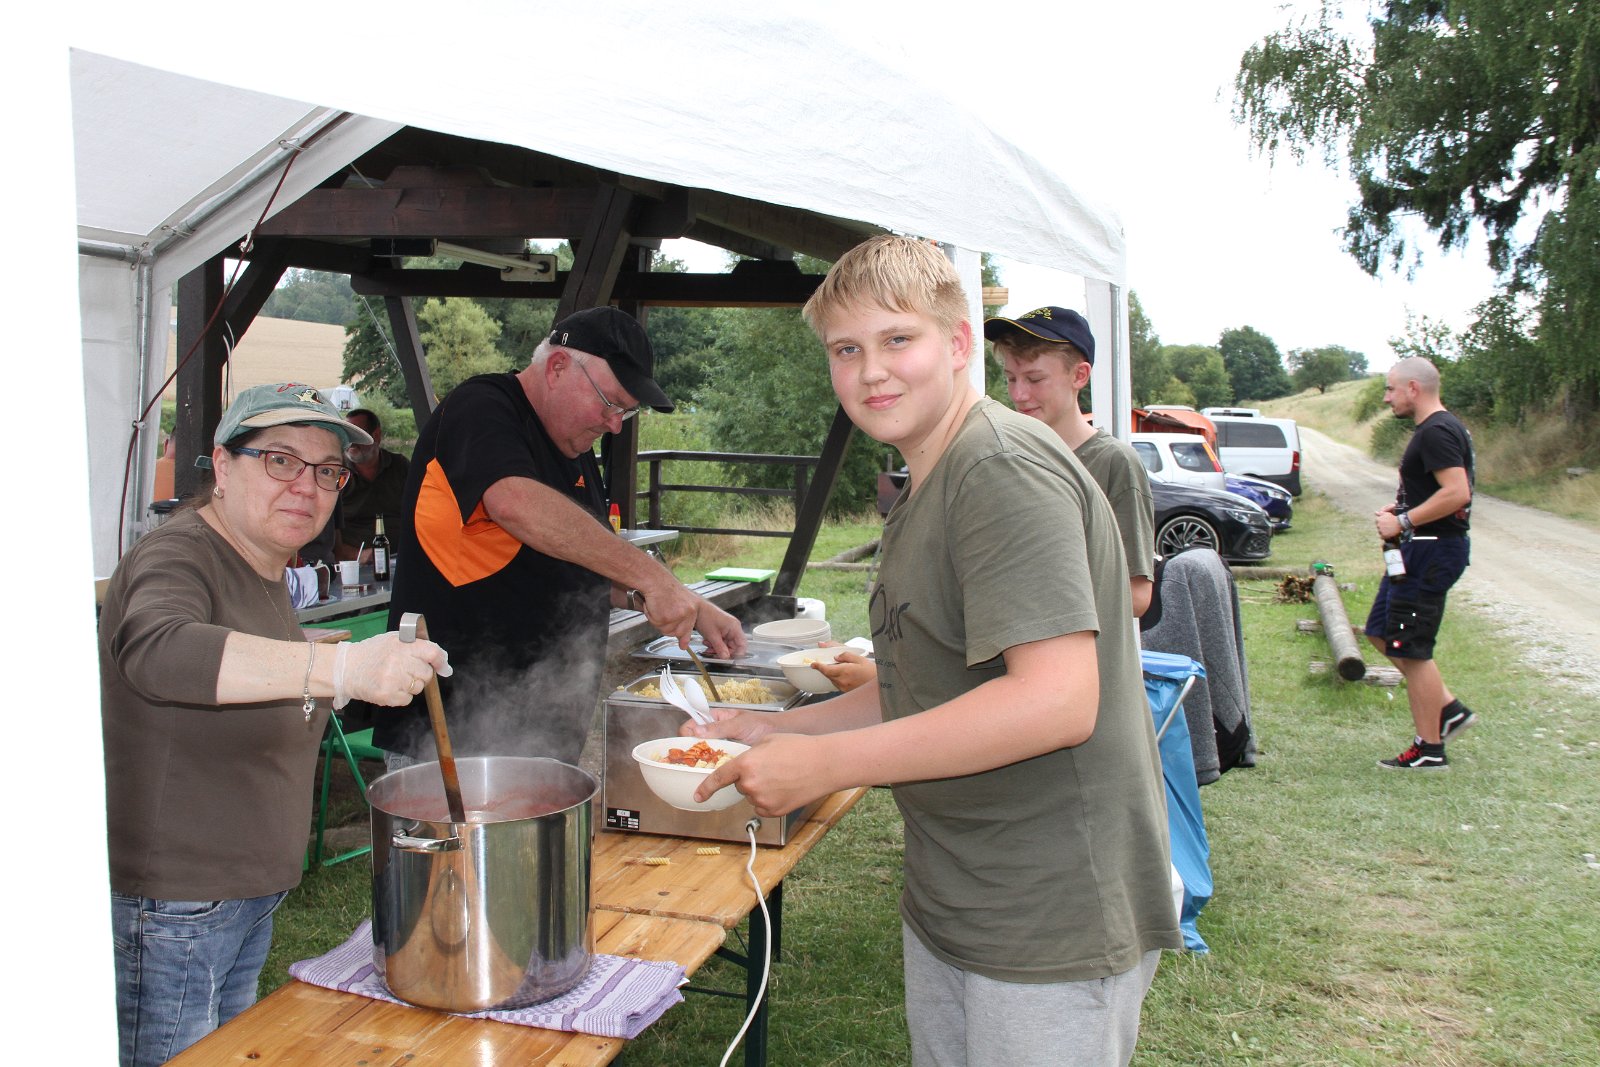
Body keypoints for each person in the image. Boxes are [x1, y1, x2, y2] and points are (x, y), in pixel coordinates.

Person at [689, 236, 1179, 1066]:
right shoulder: (931, 477)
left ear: (956, 344)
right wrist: (775, 730)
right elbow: (922, 682)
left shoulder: (999, 468)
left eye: (897, 339)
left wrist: (828, 764)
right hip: (960, 896)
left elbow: (1058, 700)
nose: (872, 371)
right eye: (847, 349)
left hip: (1049, 914)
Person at [100, 382, 451, 1067]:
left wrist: (338, 669)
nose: (306, 486)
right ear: (222, 466)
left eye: (327, 471)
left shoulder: (259, 562)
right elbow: (160, 650)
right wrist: (341, 668)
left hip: (240, 892)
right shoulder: (178, 555)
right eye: (280, 460)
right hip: (177, 903)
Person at [374, 307, 747, 768]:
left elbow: (581, 567)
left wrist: (688, 604)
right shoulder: (480, 407)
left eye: (627, 412)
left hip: (541, 731)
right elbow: (515, 502)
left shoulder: (574, 445)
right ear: (557, 367)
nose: (615, 424)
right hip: (451, 732)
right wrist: (654, 578)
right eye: (611, 403)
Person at [986, 304, 1157, 617]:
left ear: (1079, 375)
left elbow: (1137, 596)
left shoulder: (1114, 462)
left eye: (1034, 379)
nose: (1019, 394)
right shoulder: (1008, 459)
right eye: (1011, 378)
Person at [1365, 356, 1476, 770]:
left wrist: (1404, 520)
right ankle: (1447, 709)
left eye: (1391, 389)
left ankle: (1429, 748)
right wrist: (1400, 508)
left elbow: (1457, 492)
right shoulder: (1437, 429)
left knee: (1411, 648)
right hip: (1418, 550)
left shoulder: (1436, 431)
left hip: (1431, 551)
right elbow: (1435, 491)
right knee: (1381, 631)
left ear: (1413, 388)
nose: (1386, 398)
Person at [335, 407, 410, 562]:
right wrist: (359, 556)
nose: (351, 442)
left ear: (376, 435)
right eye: (347, 435)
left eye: (357, 435)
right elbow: (326, 529)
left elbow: (422, 512)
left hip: (403, 558)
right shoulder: (336, 472)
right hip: (352, 564)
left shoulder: (400, 466)